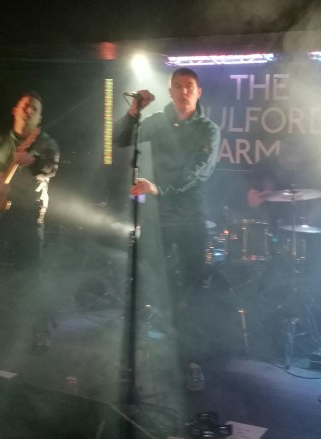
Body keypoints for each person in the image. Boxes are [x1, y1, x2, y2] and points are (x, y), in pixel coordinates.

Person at [113, 67, 221, 392]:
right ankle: (130, 362)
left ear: (198, 92)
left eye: (189, 86)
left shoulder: (208, 130)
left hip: (190, 220)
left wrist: (160, 188)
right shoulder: (157, 122)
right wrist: (134, 111)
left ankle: (191, 362)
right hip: (157, 219)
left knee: (192, 291)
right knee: (141, 282)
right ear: (170, 91)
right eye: (178, 86)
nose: (184, 91)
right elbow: (120, 139)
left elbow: (199, 171)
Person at [0, 91, 60, 352]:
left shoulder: (45, 143)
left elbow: (51, 167)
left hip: (28, 216)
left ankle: (40, 330)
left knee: (32, 273)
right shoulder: (0, 142)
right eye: (25, 106)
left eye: (34, 108)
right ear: (15, 110)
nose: (28, 111)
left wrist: (33, 161)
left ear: (39, 117)